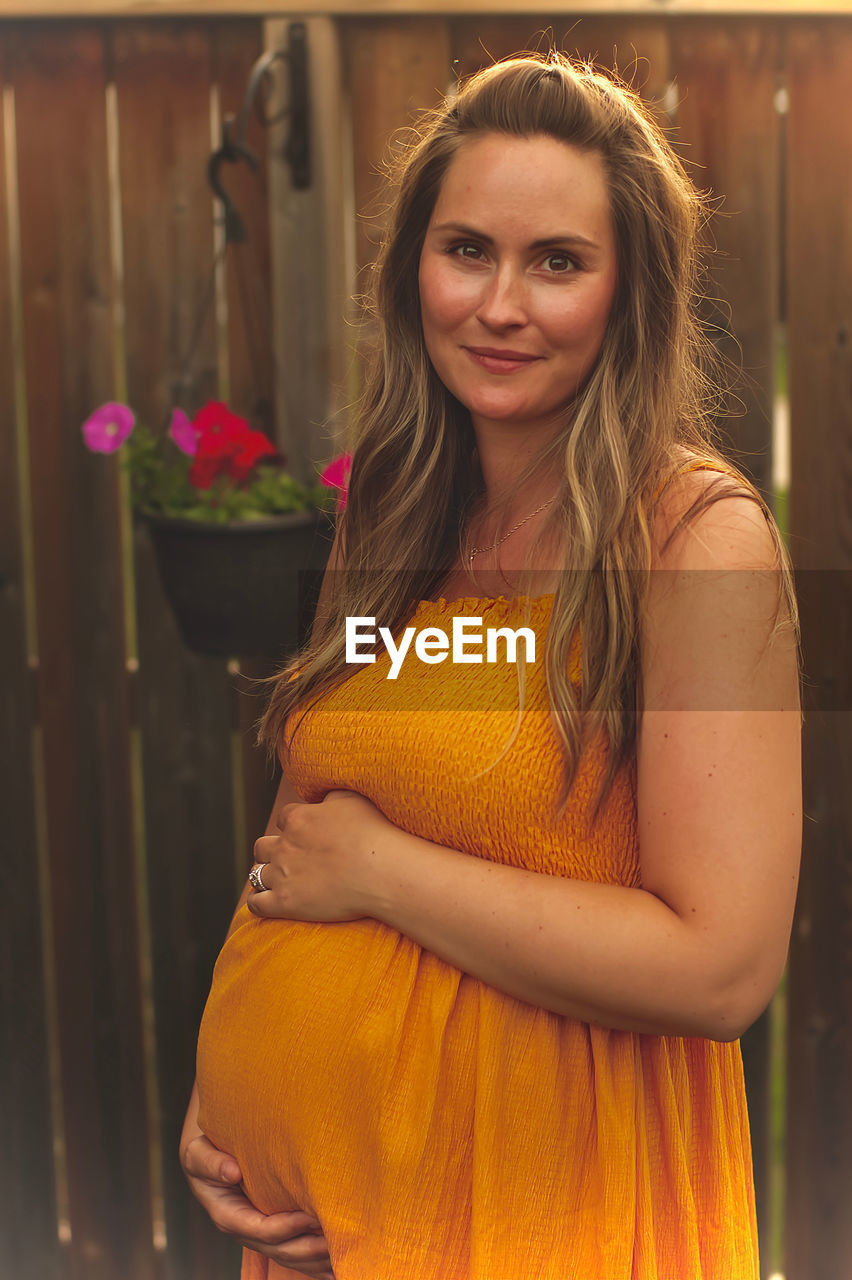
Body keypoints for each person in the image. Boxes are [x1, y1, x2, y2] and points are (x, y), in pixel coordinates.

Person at [180, 53, 801, 1280]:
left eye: (557, 262)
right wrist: (223, 1097)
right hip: (325, 1235)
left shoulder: (688, 540)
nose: (500, 303)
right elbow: (307, 824)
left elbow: (722, 964)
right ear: (414, 267)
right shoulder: (398, 513)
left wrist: (384, 872)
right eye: (467, 248)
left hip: (545, 1210)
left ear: (629, 294)